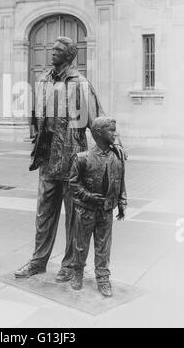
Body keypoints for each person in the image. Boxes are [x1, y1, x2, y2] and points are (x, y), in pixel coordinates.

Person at [15, 37, 109, 282]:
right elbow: (36, 115)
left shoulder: (80, 83)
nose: (51, 52)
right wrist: (35, 138)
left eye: (57, 50)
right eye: (52, 48)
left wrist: (111, 149)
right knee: (43, 214)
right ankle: (37, 261)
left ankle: (71, 265)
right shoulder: (43, 80)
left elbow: (97, 121)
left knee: (75, 217)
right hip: (47, 159)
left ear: (69, 55)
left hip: (73, 160)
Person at [69, 117, 127, 297]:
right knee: (80, 245)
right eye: (111, 130)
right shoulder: (82, 158)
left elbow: (121, 181)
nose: (115, 133)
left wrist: (122, 203)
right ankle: (77, 272)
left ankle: (103, 277)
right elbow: (73, 184)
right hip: (85, 210)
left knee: (103, 246)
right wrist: (88, 196)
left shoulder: (117, 156)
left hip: (106, 209)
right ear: (99, 133)